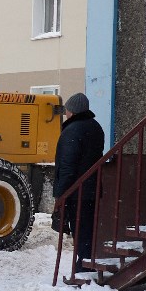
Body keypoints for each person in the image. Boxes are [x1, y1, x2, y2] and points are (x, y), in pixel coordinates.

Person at [53, 92, 106, 272]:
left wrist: (60, 195)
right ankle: (86, 261)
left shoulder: (72, 130)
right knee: (87, 228)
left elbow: (67, 166)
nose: (66, 113)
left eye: (67, 110)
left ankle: (83, 266)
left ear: (73, 111)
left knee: (79, 230)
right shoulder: (96, 127)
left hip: (76, 190)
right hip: (91, 187)